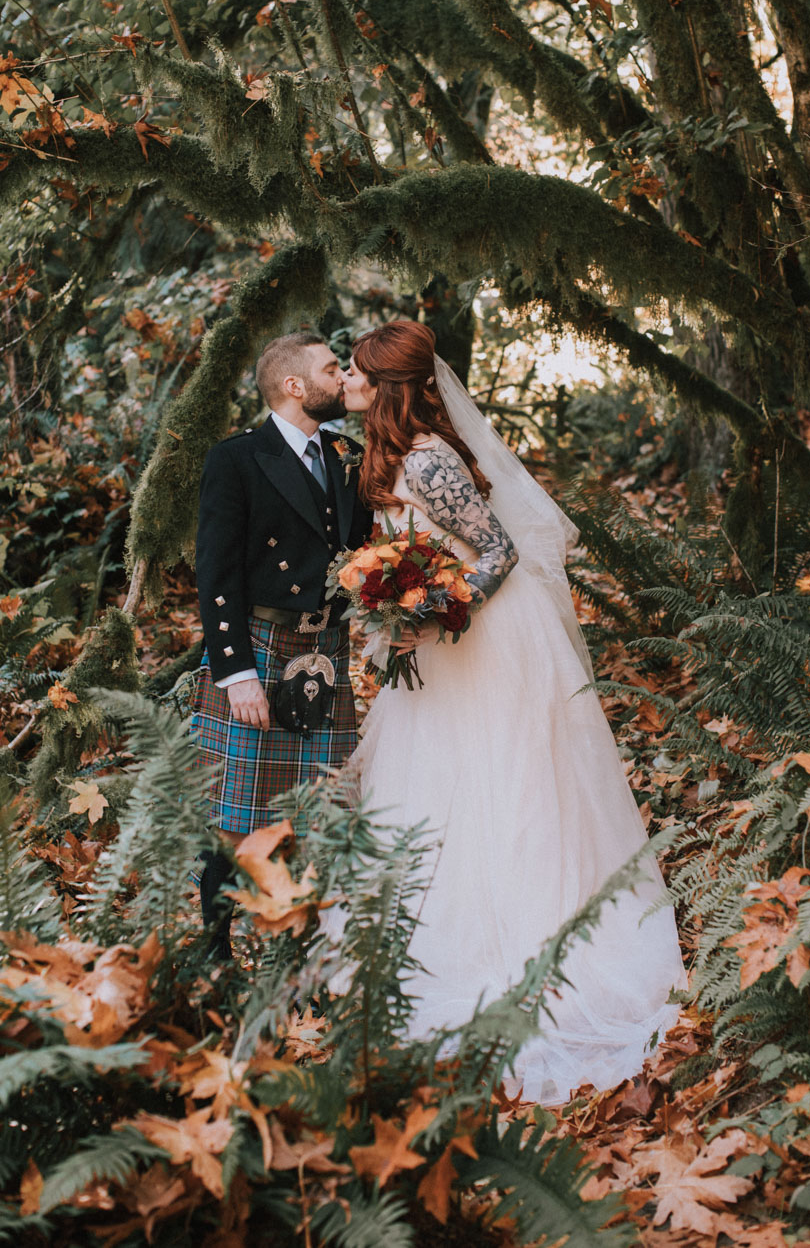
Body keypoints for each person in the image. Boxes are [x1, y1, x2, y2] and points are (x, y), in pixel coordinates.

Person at [339, 320, 685, 1104]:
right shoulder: (388, 456)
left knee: (505, 786)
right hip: (437, 647)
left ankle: (541, 954)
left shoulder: (428, 460)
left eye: (357, 372)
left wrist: (440, 608)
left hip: (486, 642)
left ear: (385, 386)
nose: (347, 382)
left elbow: (497, 549)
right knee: (436, 788)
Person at [191, 331, 372, 959]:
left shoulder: (348, 455)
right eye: (331, 369)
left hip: (329, 649)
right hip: (262, 645)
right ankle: (213, 948)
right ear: (295, 386)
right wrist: (234, 670)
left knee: (318, 805)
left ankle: (301, 945)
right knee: (237, 808)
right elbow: (215, 573)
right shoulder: (236, 459)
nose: (342, 378)